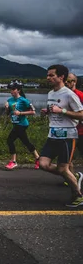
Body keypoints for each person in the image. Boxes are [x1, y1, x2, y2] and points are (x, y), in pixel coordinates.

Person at [38, 64, 83, 208]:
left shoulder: (69, 94)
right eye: (48, 75)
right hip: (52, 134)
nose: (48, 78)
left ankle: (78, 195)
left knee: (63, 168)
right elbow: (55, 111)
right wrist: (48, 111)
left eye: (52, 75)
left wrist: (62, 110)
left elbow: (81, 115)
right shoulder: (51, 93)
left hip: (67, 136)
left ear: (61, 77)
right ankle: (72, 176)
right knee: (43, 164)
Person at [3, 80, 40, 170]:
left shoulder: (24, 100)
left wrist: (20, 113)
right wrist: (7, 108)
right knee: (26, 142)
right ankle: (38, 159)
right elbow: (8, 113)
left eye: (13, 89)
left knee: (10, 140)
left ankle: (14, 162)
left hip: (22, 124)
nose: (11, 91)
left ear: (18, 90)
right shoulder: (10, 100)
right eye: (10, 89)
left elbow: (33, 112)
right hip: (15, 124)